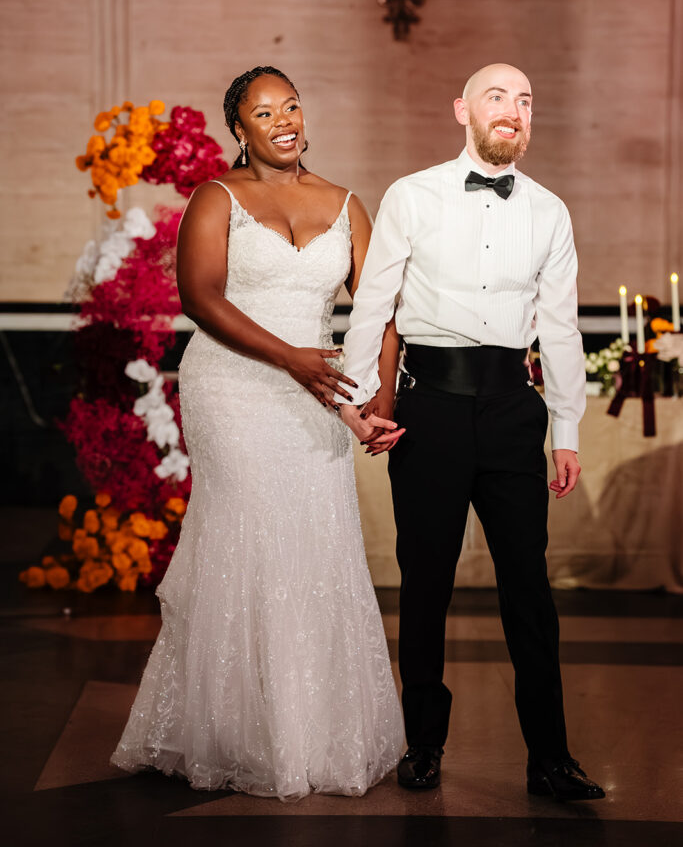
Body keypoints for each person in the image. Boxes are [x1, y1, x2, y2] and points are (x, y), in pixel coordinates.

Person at [111, 65, 405, 800]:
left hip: (319, 393)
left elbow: (381, 310)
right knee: (247, 541)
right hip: (235, 388)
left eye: (293, 106)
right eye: (263, 111)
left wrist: (376, 398)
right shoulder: (216, 198)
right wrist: (291, 360)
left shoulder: (344, 204)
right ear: (237, 129)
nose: (283, 120)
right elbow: (200, 298)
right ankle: (230, 732)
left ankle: (311, 733)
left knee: (315, 540)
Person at [339, 63, 605, 801]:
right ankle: (422, 744)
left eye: (524, 101)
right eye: (497, 97)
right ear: (462, 109)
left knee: (529, 589)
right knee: (426, 583)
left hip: (512, 411)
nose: (512, 111)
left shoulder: (549, 210)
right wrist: (361, 401)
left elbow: (557, 327)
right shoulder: (411, 195)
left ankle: (550, 756)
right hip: (429, 411)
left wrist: (565, 430)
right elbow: (373, 306)